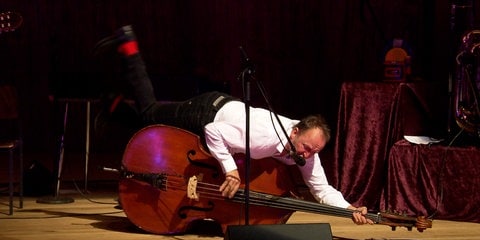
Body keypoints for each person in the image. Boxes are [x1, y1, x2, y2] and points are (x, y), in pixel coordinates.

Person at [94, 25, 373, 225]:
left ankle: (115, 107)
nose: (307, 155)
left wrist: (350, 209)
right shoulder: (265, 137)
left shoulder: (303, 151)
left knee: (163, 144)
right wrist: (230, 171)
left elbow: (321, 189)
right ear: (294, 130)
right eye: (306, 148)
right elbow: (214, 131)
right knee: (150, 114)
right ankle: (128, 46)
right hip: (206, 113)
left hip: (225, 113)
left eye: (314, 152)